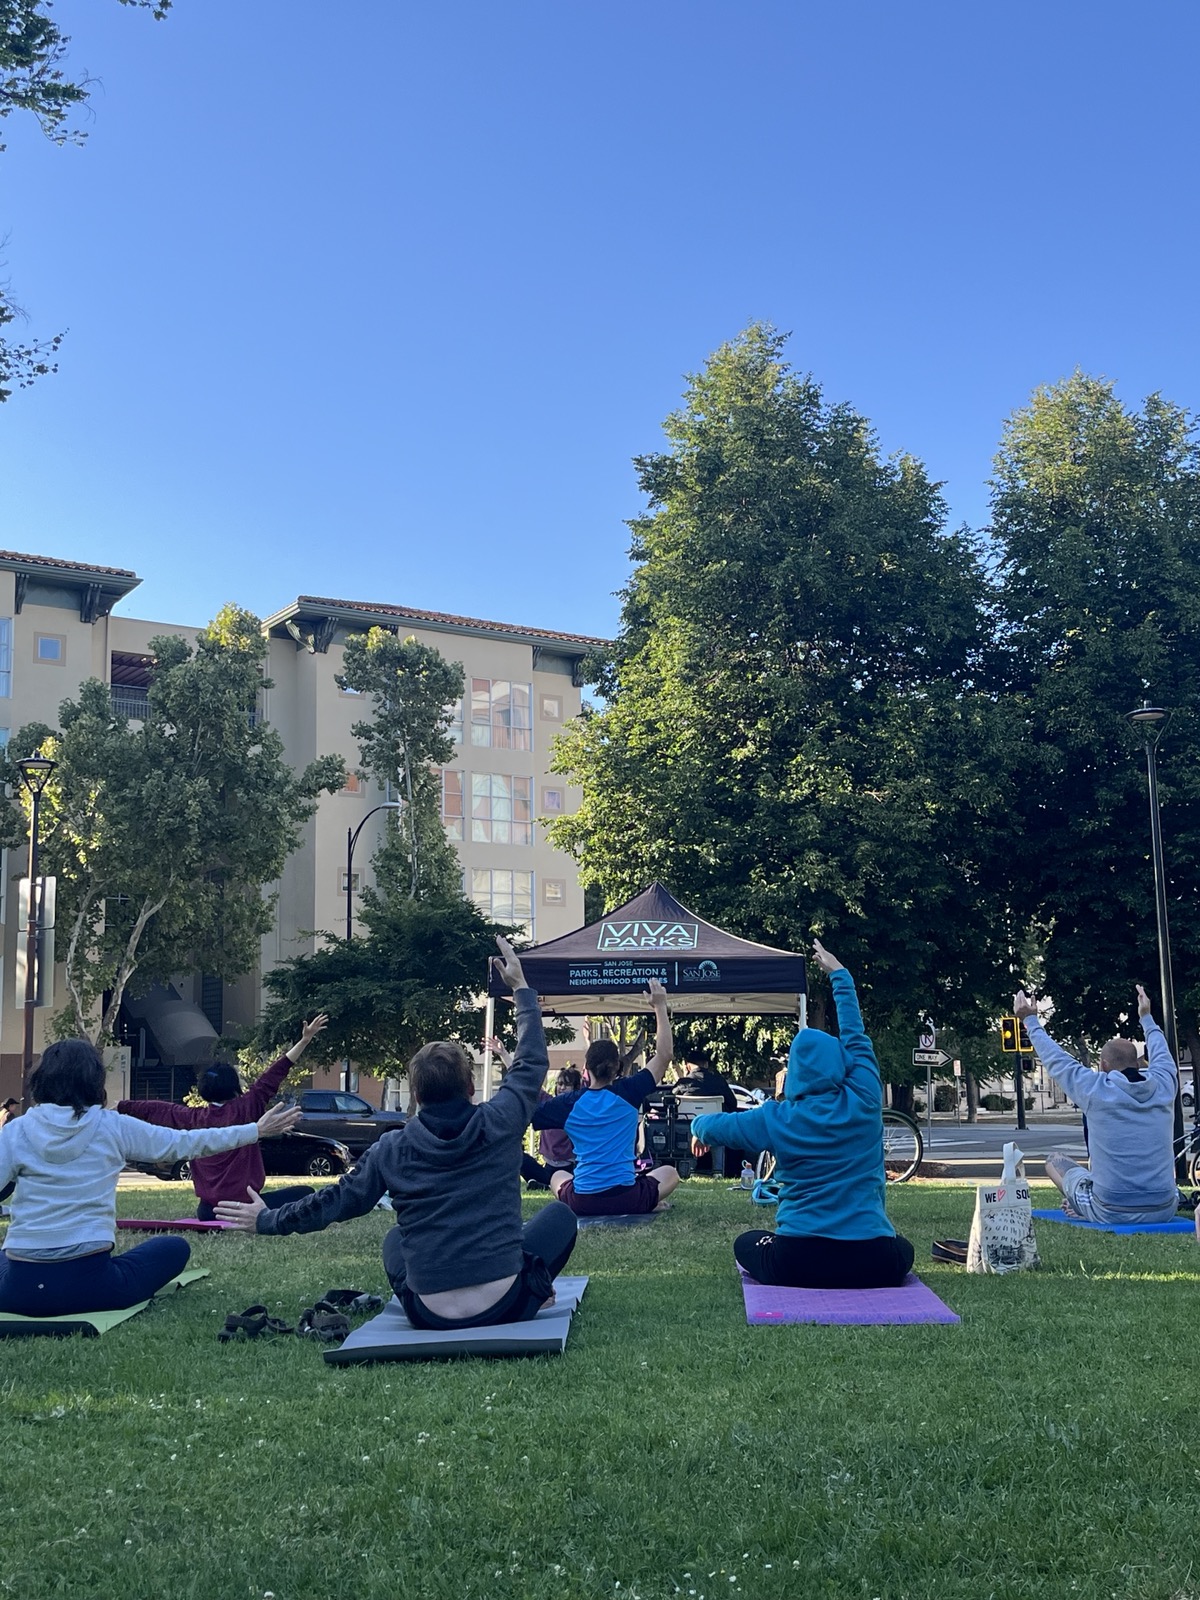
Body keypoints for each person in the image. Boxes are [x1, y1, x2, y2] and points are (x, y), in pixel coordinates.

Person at [217, 937, 578, 1332]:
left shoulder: (392, 1147)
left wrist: (269, 1219)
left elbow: (336, 1201)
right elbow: (530, 1063)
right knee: (560, 1215)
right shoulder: (502, 1119)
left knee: (395, 1241)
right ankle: (532, 1283)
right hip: (509, 1304)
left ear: (417, 1095)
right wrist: (521, 989)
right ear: (470, 1088)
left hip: (428, 1314)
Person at [0, 1038, 299, 1317]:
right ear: (94, 1081)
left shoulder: (16, 1131)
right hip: (91, 1288)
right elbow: (186, 1142)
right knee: (174, 1248)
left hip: (17, 1290)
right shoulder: (112, 1126)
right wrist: (255, 1131)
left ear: (41, 1080)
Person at [691, 939, 914, 1289]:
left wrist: (698, 1128)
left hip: (799, 1257)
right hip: (874, 1258)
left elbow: (722, 1126)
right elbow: (856, 1036)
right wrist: (840, 976)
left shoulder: (776, 1118)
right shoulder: (865, 1097)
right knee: (903, 1249)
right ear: (840, 1063)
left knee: (746, 1242)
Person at [118, 1014, 328, 1219]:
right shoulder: (247, 1107)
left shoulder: (193, 1118)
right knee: (305, 1192)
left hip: (208, 1211)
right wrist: (304, 1040)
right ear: (234, 1087)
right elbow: (273, 1074)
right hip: (247, 1206)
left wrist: (120, 1106)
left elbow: (156, 1109)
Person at [1014, 984, 1180, 1224]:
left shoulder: (1094, 1089)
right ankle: (1088, 1199)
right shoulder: (1165, 1085)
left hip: (1111, 1209)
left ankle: (1083, 1204)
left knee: (1055, 1161)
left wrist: (1030, 1020)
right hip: (1165, 1207)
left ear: (1103, 1065)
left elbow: (1056, 1060)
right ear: (1138, 1062)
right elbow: (1163, 1053)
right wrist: (1146, 1017)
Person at [530, 979, 680, 1217]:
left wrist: (532, 1018)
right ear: (617, 1069)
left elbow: (529, 1103)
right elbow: (664, 1055)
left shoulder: (568, 1104)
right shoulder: (629, 1091)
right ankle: (651, 1203)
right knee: (670, 1172)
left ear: (585, 1071)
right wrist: (659, 1006)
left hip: (583, 1202)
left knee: (557, 1176)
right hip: (628, 1199)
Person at [516, 1057, 582, 1190]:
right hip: (549, 1166)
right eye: (559, 1084)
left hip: (570, 1168)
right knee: (519, 1157)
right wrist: (504, 1054)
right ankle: (543, 1183)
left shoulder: (579, 1110)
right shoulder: (548, 1103)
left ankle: (548, 1185)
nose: (562, 1088)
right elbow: (527, 1081)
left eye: (566, 1085)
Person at [672, 1047, 738, 1113]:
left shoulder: (682, 1084)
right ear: (706, 1065)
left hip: (687, 1122)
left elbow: (669, 1102)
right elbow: (733, 1104)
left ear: (688, 1067)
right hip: (715, 1122)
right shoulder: (719, 1081)